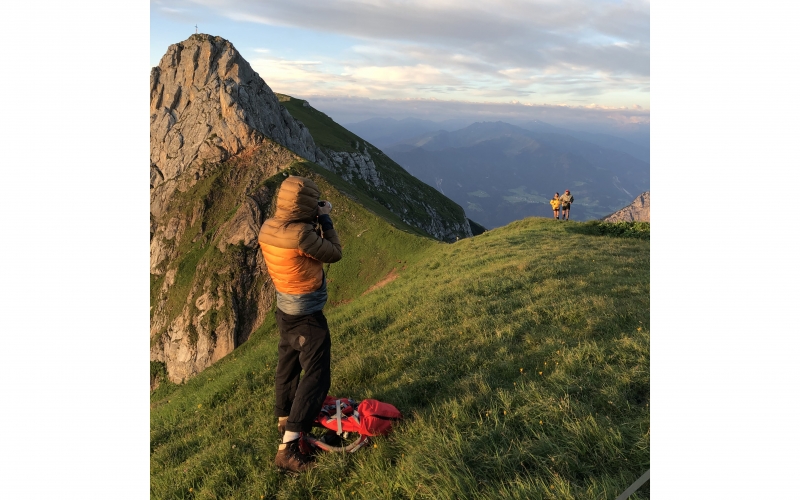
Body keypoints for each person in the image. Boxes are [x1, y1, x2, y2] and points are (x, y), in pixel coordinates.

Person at [257, 175, 343, 472]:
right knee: (317, 375)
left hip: (284, 309)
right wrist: (326, 218)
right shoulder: (302, 235)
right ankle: (289, 448)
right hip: (307, 313)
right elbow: (334, 253)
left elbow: (299, 248)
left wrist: (311, 220)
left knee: (289, 364)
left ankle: (285, 421)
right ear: (307, 204)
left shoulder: (268, 227)